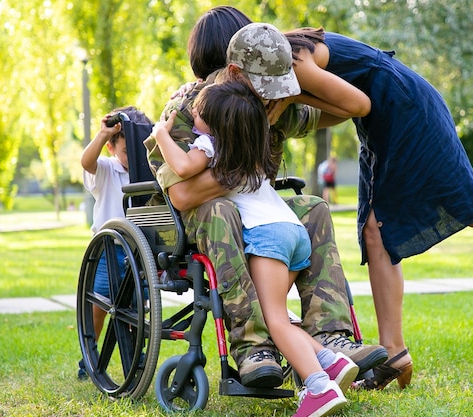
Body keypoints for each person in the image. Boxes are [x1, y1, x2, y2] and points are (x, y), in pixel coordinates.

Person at [284, 28, 473, 390]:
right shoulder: (289, 57)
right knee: (374, 230)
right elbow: (344, 108)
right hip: (380, 122)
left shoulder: (292, 58)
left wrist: (290, 99)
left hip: (406, 109)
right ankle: (393, 352)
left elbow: (354, 104)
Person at [144, 10, 387, 389]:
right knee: (219, 207)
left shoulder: (269, 102)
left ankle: (328, 335)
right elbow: (182, 194)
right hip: (205, 218)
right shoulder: (192, 109)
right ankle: (254, 346)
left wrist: (292, 96)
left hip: (255, 214)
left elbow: (354, 107)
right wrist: (245, 166)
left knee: (314, 208)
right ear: (234, 67)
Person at [152, 80, 358, 417]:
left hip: (268, 237)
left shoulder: (209, 146)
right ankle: (327, 361)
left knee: (273, 320)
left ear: (217, 127)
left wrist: (162, 134)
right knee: (271, 309)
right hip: (293, 232)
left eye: (200, 114)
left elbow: (185, 168)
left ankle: (319, 388)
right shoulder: (248, 149)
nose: (194, 115)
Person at [78, 106, 153, 380]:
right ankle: (90, 352)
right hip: (108, 248)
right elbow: (86, 163)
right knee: (99, 305)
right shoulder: (108, 168)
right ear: (112, 148)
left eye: (138, 152)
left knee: (138, 306)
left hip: (137, 251)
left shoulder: (146, 171)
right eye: (126, 152)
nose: (132, 158)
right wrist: (102, 134)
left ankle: (136, 354)